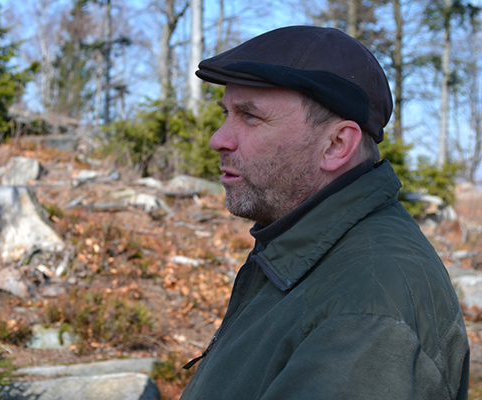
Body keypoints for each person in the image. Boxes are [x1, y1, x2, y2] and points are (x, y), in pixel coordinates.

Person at [179, 25, 470, 400]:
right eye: (226, 113)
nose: (218, 138)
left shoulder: (369, 312)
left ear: (336, 145)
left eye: (250, 117)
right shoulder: (303, 249)